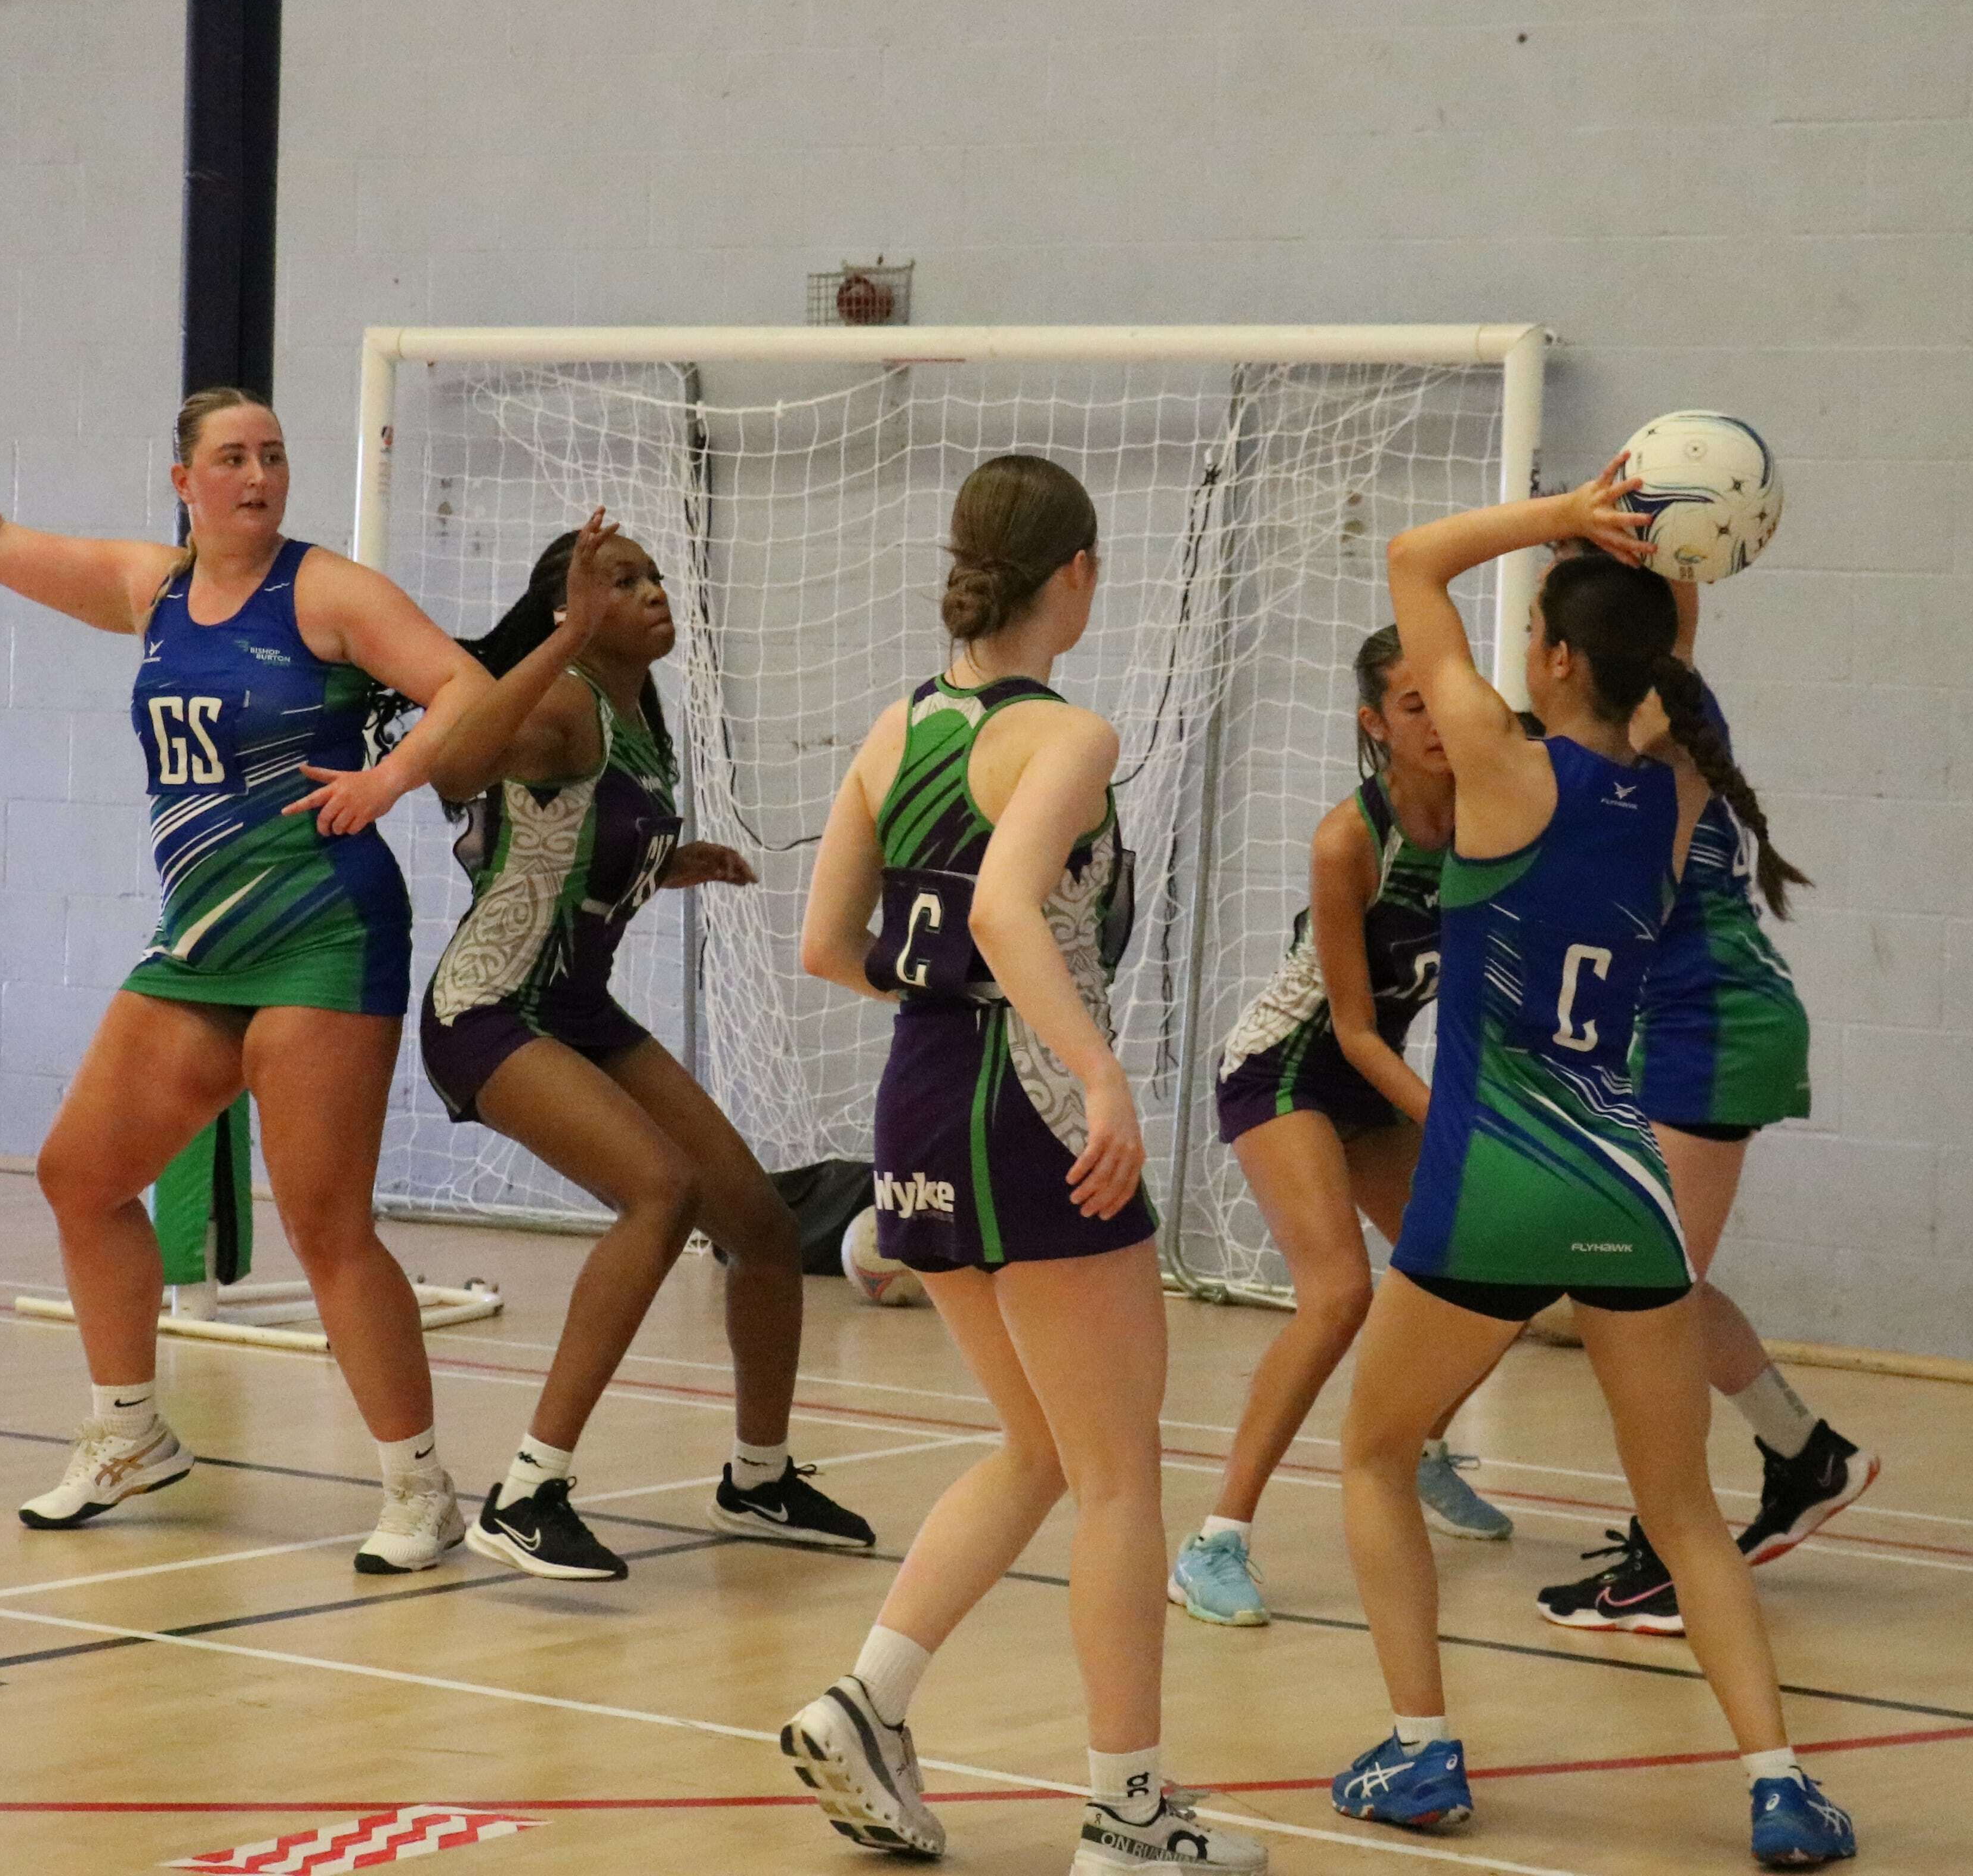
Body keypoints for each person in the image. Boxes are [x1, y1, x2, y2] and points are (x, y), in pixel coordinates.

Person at [0, 320, 487, 1573]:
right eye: (233, 456)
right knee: (79, 1174)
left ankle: (418, 1482)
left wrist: (390, 776)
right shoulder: (154, 588)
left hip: (322, 924)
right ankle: (130, 1429)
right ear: (183, 481)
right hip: (201, 939)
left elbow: (464, 686)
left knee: (325, 1221)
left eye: (274, 455)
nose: (258, 475)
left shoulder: (330, 591)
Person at [1325, 463, 1855, 1868]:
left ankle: (1425, 1747)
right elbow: (1668, 648)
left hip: (1495, 1169)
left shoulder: (1497, 763)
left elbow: (1415, 555)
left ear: (1556, 655)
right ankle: (1781, 1779)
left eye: (1538, 636)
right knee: (1683, 1508)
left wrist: (1566, 510)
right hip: (1624, 1175)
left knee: (1376, 1453)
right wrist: (1684, 543)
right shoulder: (1676, 786)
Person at [776, 455, 1264, 1875]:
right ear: (1079, 575)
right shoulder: (1070, 734)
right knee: (1121, 1475)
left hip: (917, 1103)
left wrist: (958, 1018)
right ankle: (1128, 1813)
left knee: (1042, 1447)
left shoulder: (895, 728)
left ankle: (866, 1699)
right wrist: (1094, 1066)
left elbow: (826, 945)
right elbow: (1002, 907)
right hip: (1030, 1106)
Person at [409, 511, 876, 1578]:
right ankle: (527, 1492)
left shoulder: (640, 712)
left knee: (758, 1224)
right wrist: (566, 635)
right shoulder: (567, 700)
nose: (654, 590)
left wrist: (674, 862)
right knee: (659, 1192)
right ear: (574, 609)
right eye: (623, 581)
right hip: (490, 1009)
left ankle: (760, 1479)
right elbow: (452, 770)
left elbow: (573, 839)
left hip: (576, 1005)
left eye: (654, 574)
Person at [1539, 573, 1873, 1637]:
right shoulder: (1671, 706)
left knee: (1639, 1300)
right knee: (1650, 1289)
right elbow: (1673, 624)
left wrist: (1633, 542)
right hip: (1693, 1023)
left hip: (1711, 1025)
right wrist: (1642, 540)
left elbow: (1667, 625)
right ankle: (1805, 1453)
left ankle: (1664, 1554)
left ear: (1569, 656)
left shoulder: (1625, 752)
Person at [1171, 627, 1514, 1633]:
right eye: (1415, 708)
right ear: (1377, 725)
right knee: (1338, 1295)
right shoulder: (1349, 841)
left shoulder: (1494, 814)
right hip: (1289, 1067)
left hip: (1376, 1077)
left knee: (1492, 1268)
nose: (1441, 721)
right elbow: (1356, 1029)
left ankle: (1423, 1447)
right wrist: (1452, 1120)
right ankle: (1214, 1541)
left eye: (1449, 698)